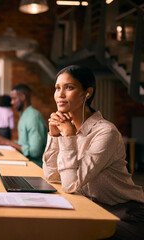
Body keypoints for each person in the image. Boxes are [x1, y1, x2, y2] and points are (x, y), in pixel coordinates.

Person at [43, 65, 144, 239]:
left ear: (87, 93)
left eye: (69, 87)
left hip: (126, 214)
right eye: (57, 88)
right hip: (92, 206)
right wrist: (53, 135)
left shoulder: (106, 132)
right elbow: (52, 175)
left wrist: (67, 136)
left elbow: (70, 185)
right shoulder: (68, 127)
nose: (60, 94)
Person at [0, 84, 47, 167]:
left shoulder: (33, 117)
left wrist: (7, 142)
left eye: (14, 99)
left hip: (34, 166)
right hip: (24, 161)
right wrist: (3, 141)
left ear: (23, 97)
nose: (11, 102)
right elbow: (23, 144)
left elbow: (34, 152)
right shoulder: (24, 115)